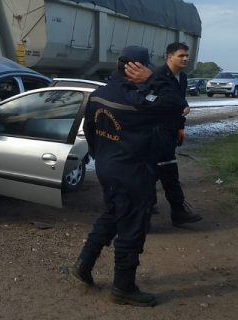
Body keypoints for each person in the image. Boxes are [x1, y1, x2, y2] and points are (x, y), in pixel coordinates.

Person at [71, 46, 185, 307]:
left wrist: (105, 156)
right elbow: (178, 103)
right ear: (139, 69)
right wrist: (153, 79)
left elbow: (90, 130)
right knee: (133, 226)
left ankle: (83, 264)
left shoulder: (98, 94)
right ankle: (123, 287)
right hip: (133, 171)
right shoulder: (141, 99)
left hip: (107, 167)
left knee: (113, 212)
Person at [150, 42, 202, 226]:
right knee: (168, 170)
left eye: (187, 56)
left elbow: (179, 100)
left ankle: (147, 202)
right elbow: (153, 101)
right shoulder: (158, 76)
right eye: (181, 56)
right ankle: (178, 211)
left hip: (172, 129)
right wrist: (180, 106)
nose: (185, 59)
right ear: (169, 57)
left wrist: (180, 126)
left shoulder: (183, 77)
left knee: (155, 170)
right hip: (157, 131)